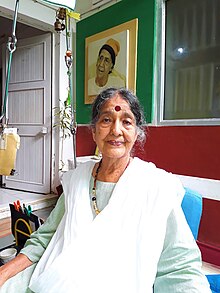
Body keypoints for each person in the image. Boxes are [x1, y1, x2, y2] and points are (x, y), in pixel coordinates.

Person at [0, 87, 211, 292]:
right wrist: (6, 271)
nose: (116, 130)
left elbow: (180, 266)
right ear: (93, 131)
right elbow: (46, 237)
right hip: (56, 276)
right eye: (106, 120)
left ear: (137, 133)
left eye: (126, 121)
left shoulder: (155, 187)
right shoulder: (77, 180)